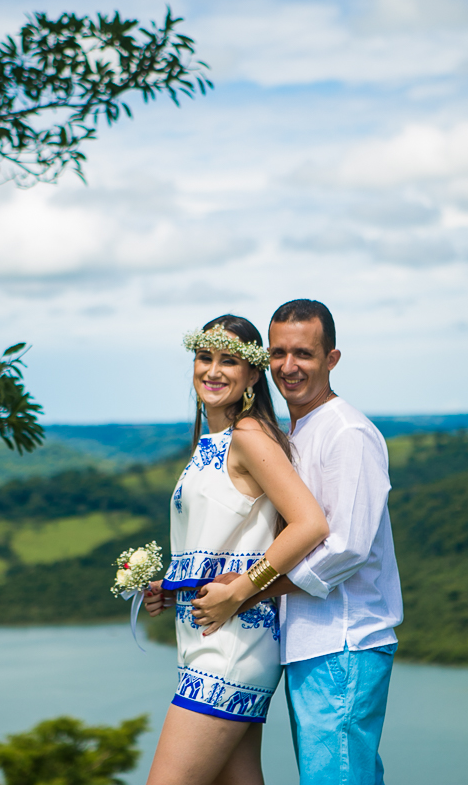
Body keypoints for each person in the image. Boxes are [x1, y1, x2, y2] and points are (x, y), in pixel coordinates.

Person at [194, 299, 404, 785]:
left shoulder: (347, 432)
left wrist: (248, 591)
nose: (289, 367)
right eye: (278, 353)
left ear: (332, 359)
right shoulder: (297, 431)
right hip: (312, 643)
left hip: (344, 642)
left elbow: (346, 549)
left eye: (304, 354)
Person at [142, 314, 329, 785]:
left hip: (232, 643)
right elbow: (222, 541)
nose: (213, 370)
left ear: (252, 375)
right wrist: (173, 586)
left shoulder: (247, 437)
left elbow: (310, 524)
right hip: (207, 639)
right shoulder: (212, 442)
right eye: (204, 357)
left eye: (228, 361)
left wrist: (244, 587)